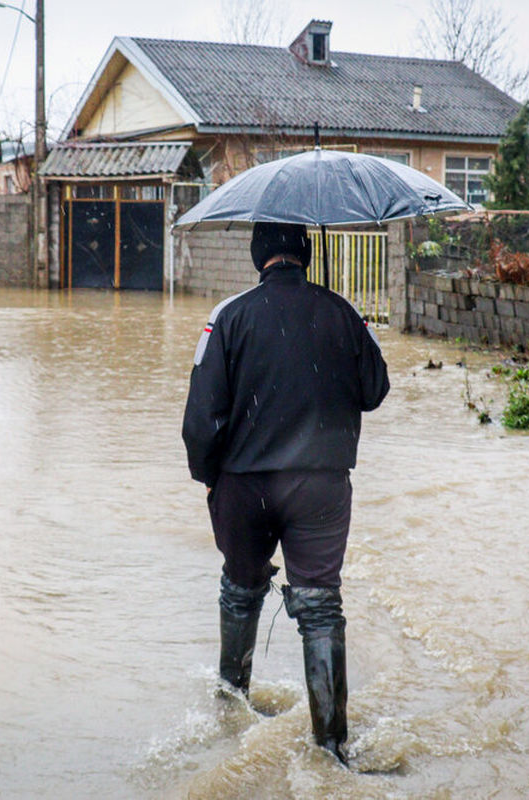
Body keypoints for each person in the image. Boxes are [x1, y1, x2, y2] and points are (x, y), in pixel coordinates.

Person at [181, 221, 390, 765]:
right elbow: (375, 391)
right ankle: (331, 748)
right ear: (307, 252)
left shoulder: (229, 315)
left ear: (259, 256)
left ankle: (231, 708)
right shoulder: (343, 312)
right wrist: (351, 326)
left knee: (241, 589)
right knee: (320, 605)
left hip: (244, 486)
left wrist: (211, 479)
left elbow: (201, 420)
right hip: (321, 484)